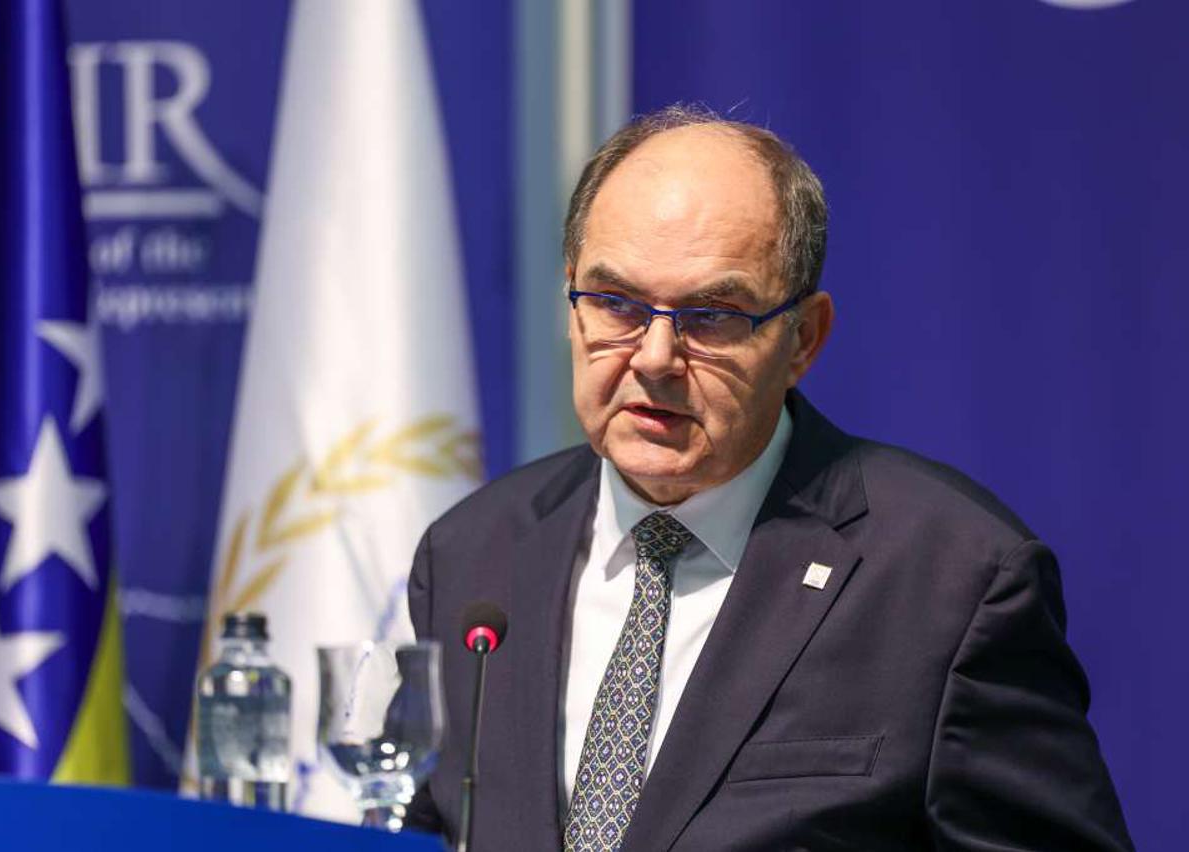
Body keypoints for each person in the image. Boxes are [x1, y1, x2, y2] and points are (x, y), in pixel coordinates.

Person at [406, 105, 1133, 851]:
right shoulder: (469, 554)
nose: (654, 358)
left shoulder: (953, 581)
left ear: (803, 339)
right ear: (571, 305)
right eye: (616, 304)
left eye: (712, 316)